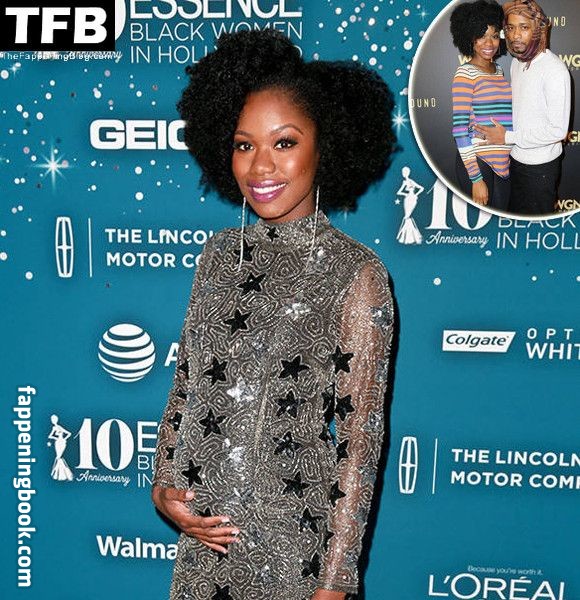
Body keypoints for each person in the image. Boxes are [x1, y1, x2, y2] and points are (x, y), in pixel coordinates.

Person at [151, 29, 396, 600]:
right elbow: (186, 383)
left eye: (284, 142)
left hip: (292, 548)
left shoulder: (356, 274)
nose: (260, 166)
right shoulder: (218, 255)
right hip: (205, 544)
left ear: (325, 146)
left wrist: (335, 581)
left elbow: (360, 441)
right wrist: (163, 485)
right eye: (244, 145)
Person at [475, 0, 571, 215]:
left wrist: (506, 137)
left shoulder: (554, 70)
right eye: (510, 28)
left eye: (524, 27)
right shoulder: (517, 63)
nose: (515, 35)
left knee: (536, 229)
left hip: (540, 169)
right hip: (515, 161)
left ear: (538, 29)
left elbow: (558, 131)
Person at [450, 0, 513, 210]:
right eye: (481, 36)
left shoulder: (499, 71)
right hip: (478, 162)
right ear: (470, 38)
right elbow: (460, 130)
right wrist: (476, 179)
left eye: (494, 36)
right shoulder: (465, 74)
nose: (489, 43)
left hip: (504, 164)